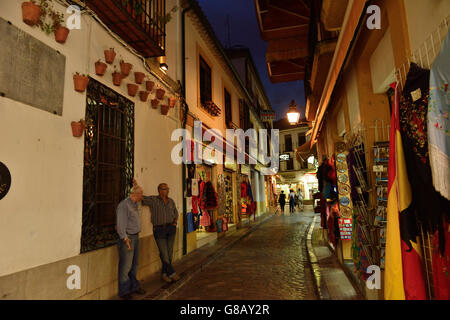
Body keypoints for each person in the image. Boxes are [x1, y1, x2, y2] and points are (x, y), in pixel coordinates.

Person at [139, 181, 180, 284]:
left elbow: (175, 213)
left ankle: (164, 274)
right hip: (159, 230)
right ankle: (171, 273)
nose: (167, 190)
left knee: (169, 253)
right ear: (159, 190)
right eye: (164, 189)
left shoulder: (171, 201)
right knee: (164, 253)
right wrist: (135, 186)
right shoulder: (154, 200)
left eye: (167, 188)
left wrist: (174, 222)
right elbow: (141, 197)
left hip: (171, 229)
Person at [116, 186, 147, 299]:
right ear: (136, 194)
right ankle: (124, 291)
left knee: (135, 264)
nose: (142, 196)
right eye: (141, 194)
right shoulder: (124, 205)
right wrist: (125, 238)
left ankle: (133, 287)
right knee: (126, 266)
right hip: (128, 238)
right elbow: (120, 224)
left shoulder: (134, 204)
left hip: (135, 237)